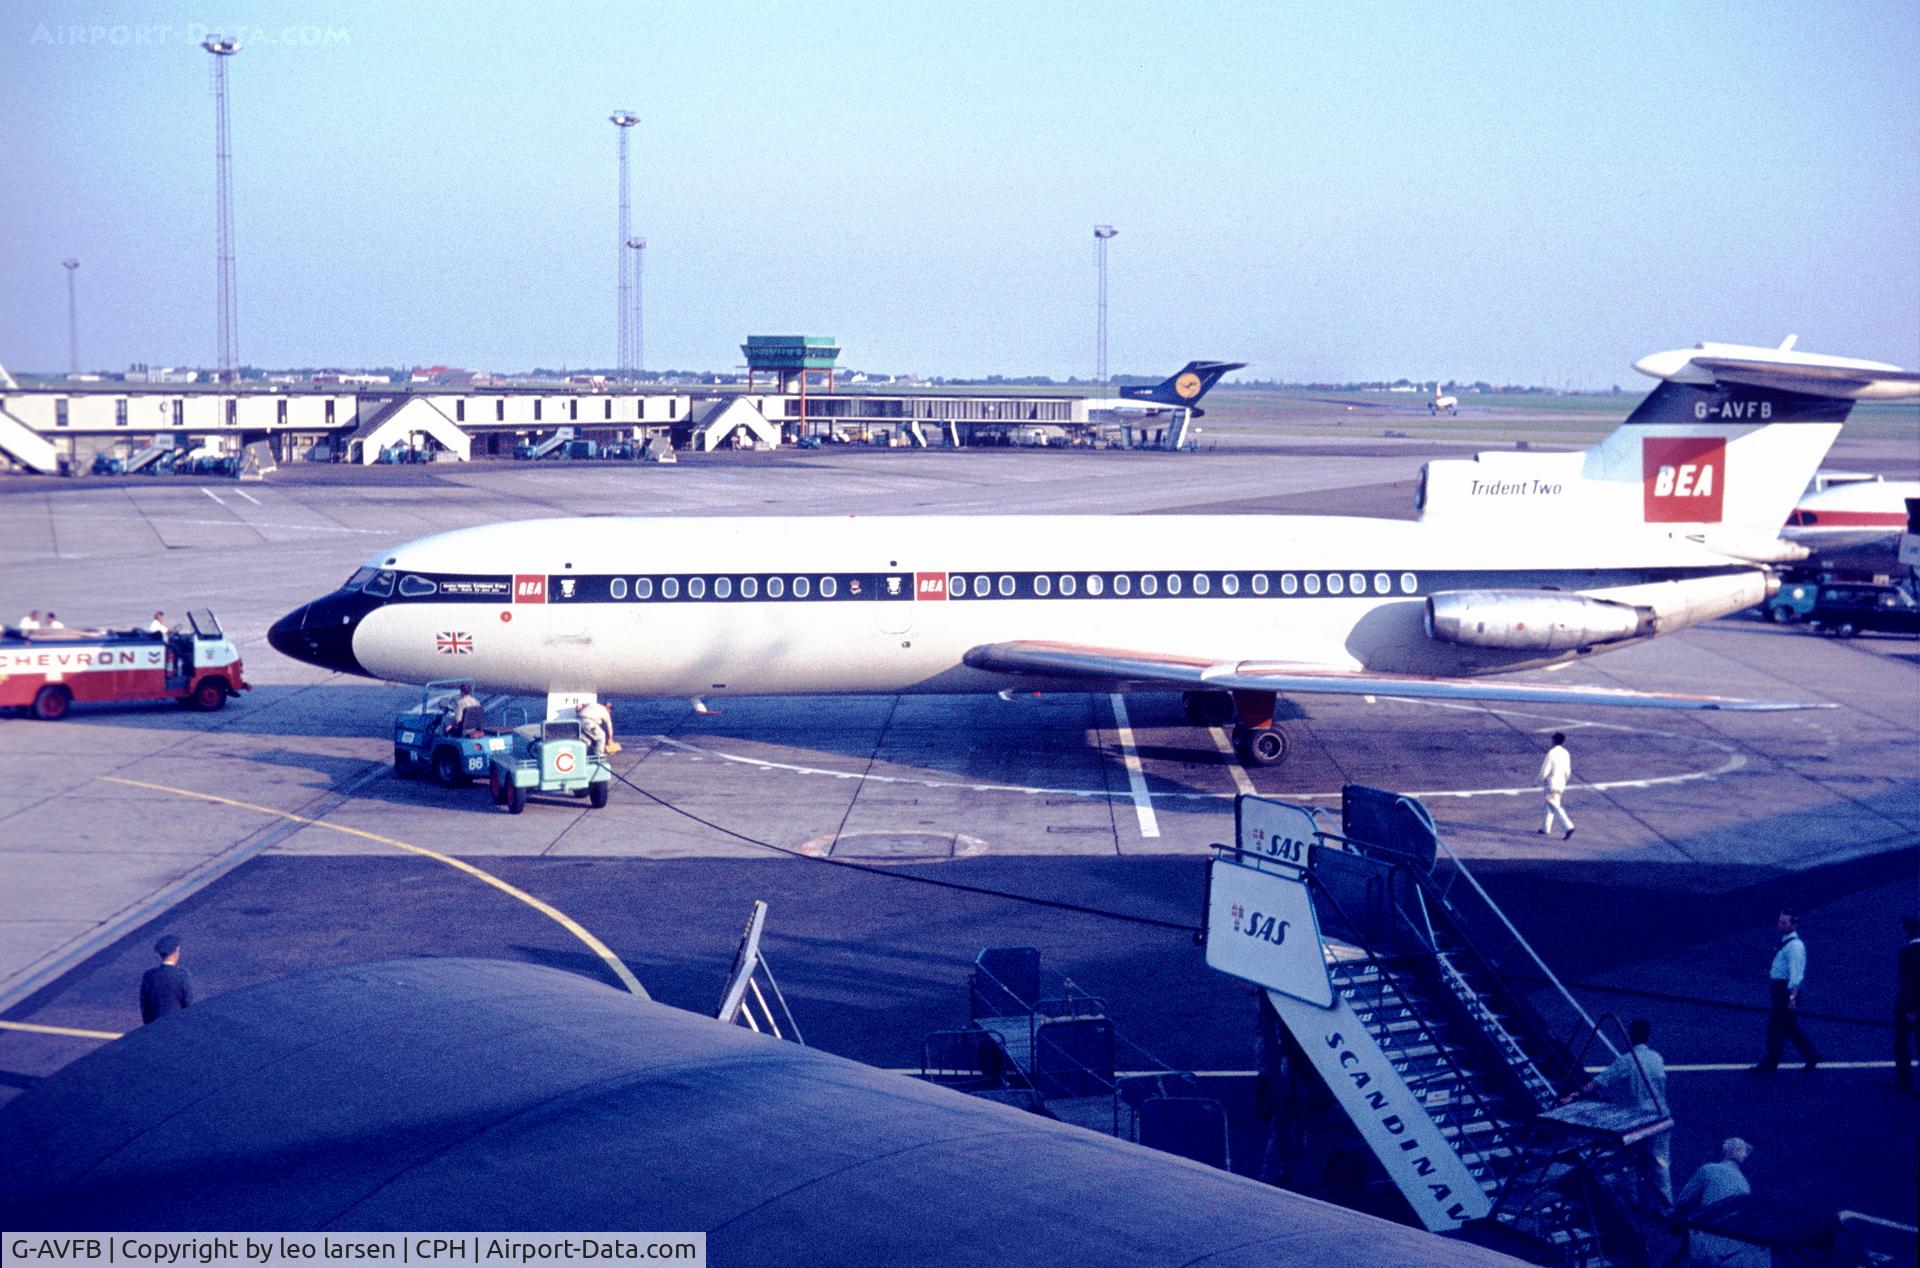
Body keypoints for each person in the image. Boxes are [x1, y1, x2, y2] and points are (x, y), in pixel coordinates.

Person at [1570, 1018, 1671, 1201]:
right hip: (1661, 1115)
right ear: (1648, 1036)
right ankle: (1665, 1205)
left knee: (1626, 1159)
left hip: (1638, 1118)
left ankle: (1631, 1199)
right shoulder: (1657, 1058)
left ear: (1630, 1036)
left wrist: (1574, 1095)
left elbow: (1600, 1080)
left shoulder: (1627, 1060)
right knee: (1660, 1163)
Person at [1673, 1138, 1766, 1268]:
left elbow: (1683, 1202)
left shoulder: (1708, 1169)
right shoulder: (1744, 1183)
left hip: (1708, 1243)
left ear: (1724, 1152)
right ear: (1743, 1157)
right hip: (1735, 1247)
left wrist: (1672, 1216)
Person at [1753, 909, 1820, 1073]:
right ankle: (1812, 1055)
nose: (1780, 925)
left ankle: (1770, 1064)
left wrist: (1791, 998)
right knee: (1790, 1027)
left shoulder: (1795, 947)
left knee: (1775, 1028)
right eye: (1780, 922)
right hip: (1781, 990)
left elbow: (1796, 974)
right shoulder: (1788, 942)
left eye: (1784, 923)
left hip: (1785, 992)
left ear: (1794, 924)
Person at [139, 933, 195, 1024]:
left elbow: (145, 1005)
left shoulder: (149, 975)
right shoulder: (182, 975)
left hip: (154, 1025)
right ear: (176, 951)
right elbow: (189, 1003)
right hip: (176, 1024)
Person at [1895, 916, 1920, 1094]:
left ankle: (1904, 1081)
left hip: (1910, 1006)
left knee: (1901, 1041)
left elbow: (1910, 982)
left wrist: (1910, 1008)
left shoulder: (1907, 952)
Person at [1537, 732, 1575, 840]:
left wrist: (1537, 781)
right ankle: (1545, 828)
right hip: (1561, 783)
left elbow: (1545, 770)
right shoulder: (1566, 753)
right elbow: (1568, 770)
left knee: (1554, 805)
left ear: (1554, 740)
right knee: (1549, 805)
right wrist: (1565, 781)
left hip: (1551, 784)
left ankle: (1568, 826)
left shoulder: (1552, 753)